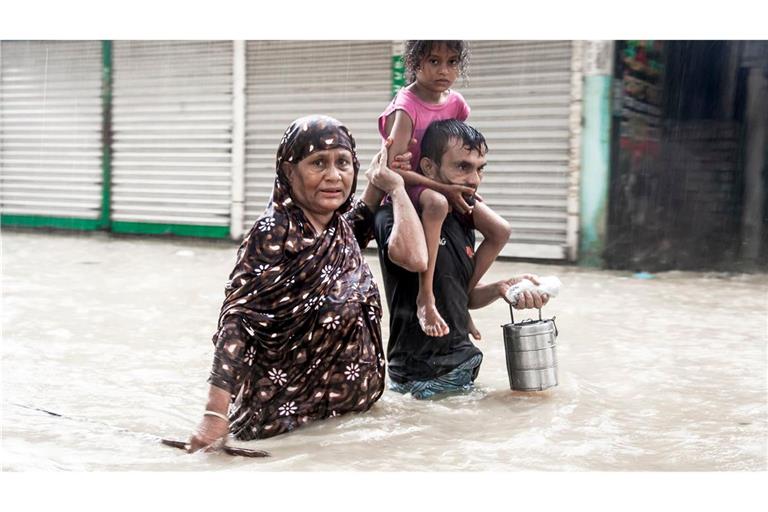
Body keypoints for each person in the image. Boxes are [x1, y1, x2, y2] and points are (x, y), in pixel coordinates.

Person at [188, 115, 427, 451]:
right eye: (318, 163)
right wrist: (214, 414)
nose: (334, 176)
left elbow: (365, 220)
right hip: (285, 431)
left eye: (343, 163)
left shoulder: (338, 228)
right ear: (289, 171)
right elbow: (238, 322)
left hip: (349, 425)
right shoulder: (274, 233)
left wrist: (385, 175)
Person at [374, 119, 549, 400]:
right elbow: (411, 257)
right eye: (462, 167)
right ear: (429, 168)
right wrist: (396, 188)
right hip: (420, 380)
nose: (474, 180)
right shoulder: (396, 217)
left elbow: (460, 297)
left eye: (480, 169)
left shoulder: (463, 221)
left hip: (461, 368)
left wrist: (501, 288)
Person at [378, 40, 512, 339]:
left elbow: (455, 150)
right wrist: (445, 188)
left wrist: (461, 184)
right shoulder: (406, 107)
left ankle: (461, 301)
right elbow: (392, 171)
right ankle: (426, 298)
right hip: (412, 184)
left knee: (500, 229)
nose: (444, 70)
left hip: (443, 183)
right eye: (434, 61)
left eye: (452, 62)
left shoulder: (457, 104)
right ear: (415, 63)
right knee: (438, 204)